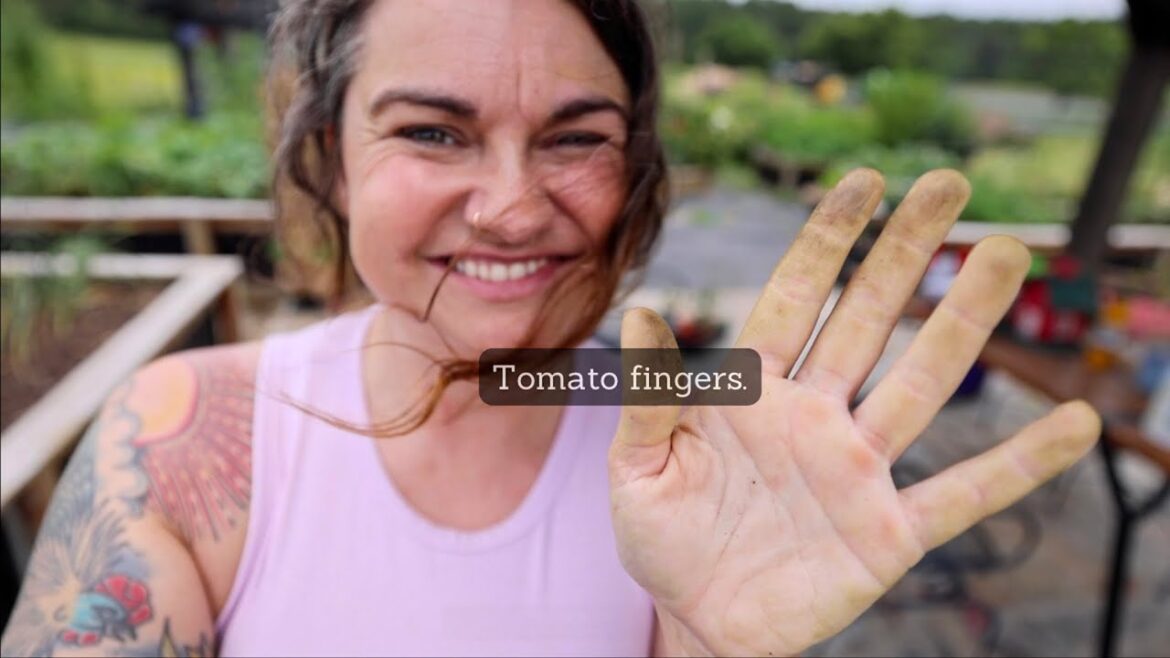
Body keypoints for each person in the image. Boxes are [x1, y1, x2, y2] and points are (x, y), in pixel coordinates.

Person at [0, 1, 1101, 656]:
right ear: (331, 156)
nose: (515, 207)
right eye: (435, 130)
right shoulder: (188, 438)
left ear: (638, 168)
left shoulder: (709, 430)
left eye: (577, 139)